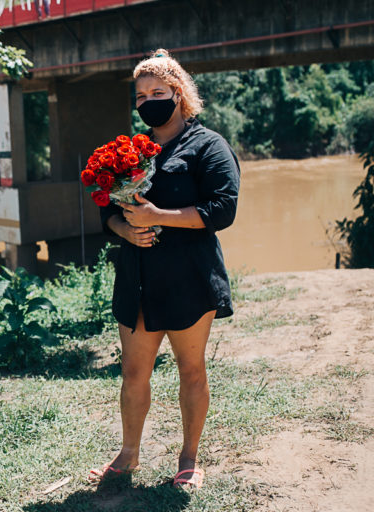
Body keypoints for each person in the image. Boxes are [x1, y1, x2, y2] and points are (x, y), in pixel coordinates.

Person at [88, 49, 240, 490]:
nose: (149, 100)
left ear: (179, 93)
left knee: (191, 370)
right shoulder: (131, 150)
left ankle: (189, 459)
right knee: (133, 373)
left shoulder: (209, 145)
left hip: (189, 277)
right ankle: (128, 455)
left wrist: (158, 216)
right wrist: (125, 229)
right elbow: (108, 213)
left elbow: (222, 209)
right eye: (141, 95)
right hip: (136, 275)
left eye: (159, 92)